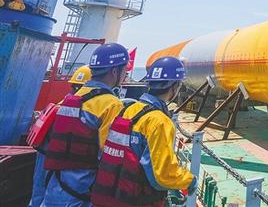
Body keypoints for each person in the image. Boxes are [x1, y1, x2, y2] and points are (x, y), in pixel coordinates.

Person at [91, 56, 196, 207]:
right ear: (175, 86)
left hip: (108, 194)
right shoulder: (159, 121)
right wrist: (189, 181)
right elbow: (162, 175)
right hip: (136, 200)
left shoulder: (126, 109)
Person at [41, 43, 130, 206]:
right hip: (81, 191)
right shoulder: (111, 104)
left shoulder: (72, 98)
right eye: (125, 70)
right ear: (115, 71)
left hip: (55, 185)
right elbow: (110, 155)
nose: (126, 75)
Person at [29, 65, 94, 206]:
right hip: (56, 159)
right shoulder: (83, 109)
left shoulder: (61, 104)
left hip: (44, 153)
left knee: (38, 191)